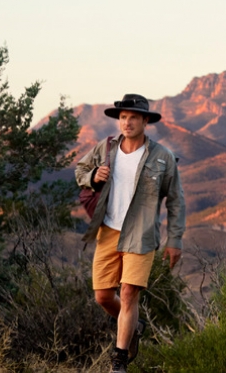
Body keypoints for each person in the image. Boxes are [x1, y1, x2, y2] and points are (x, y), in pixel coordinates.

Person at [75, 94, 185, 373]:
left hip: (142, 234)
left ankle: (119, 362)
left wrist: (175, 240)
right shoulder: (106, 148)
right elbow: (80, 169)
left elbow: (176, 200)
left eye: (133, 117)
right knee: (102, 296)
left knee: (128, 294)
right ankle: (134, 326)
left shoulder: (162, 157)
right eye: (123, 117)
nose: (127, 122)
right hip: (109, 231)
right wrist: (92, 177)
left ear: (145, 121)